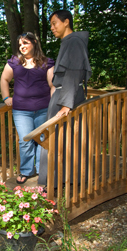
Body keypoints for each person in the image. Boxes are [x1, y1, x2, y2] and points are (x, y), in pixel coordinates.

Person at [38, 10, 92, 187]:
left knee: (59, 138)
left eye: (55, 23)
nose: (52, 27)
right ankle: (58, 181)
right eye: (51, 24)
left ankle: (60, 182)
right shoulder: (68, 42)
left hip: (67, 97)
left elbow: (73, 72)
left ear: (66, 22)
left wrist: (65, 104)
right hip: (64, 95)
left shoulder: (74, 41)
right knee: (60, 138)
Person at [0, 32, 55, 184]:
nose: (22, 47)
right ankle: (26, 171)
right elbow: (4, 79)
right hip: (21, 110)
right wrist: (6, 97)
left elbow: (52, 84)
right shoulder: (14, 62)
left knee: (42, 139)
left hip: (43, 108)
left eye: (25, 43)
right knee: (25, 140)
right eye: (20, 45)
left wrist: (52, 103)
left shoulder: (46, 62)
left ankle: (41, 170)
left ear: (34, 42)